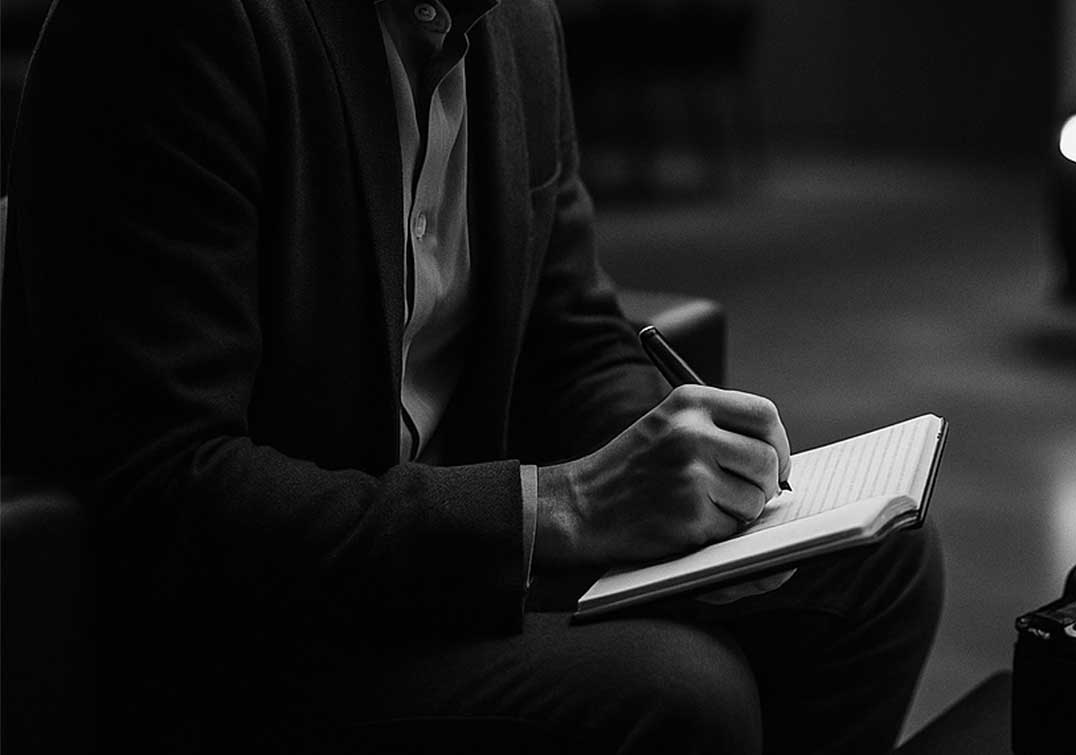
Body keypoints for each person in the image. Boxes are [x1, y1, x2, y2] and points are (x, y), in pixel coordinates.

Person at [0, 0, 942, 752]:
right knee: (683, 695)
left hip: (453, 561)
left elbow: (568, 335)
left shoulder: (518, 26)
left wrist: (691, 471)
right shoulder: (175, 25)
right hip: (252, 628)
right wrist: (560, 507)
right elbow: (170, 493)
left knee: (878, 565)